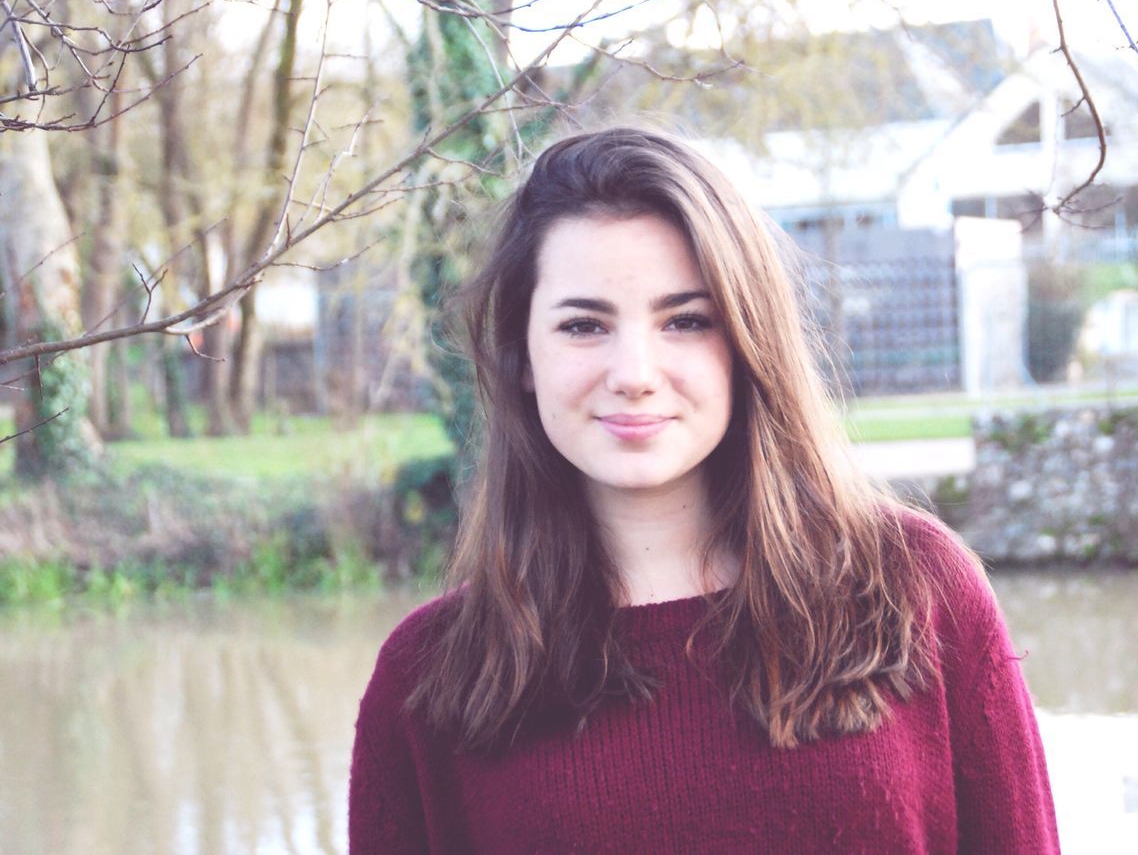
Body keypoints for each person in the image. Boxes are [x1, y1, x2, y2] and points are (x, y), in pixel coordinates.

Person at [348, 127, 1059, 854]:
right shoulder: (430, 679)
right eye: (583, 324)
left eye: (685, 320)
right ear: (522, 354)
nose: (635, 371)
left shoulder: (913, 588)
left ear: (749, 339)